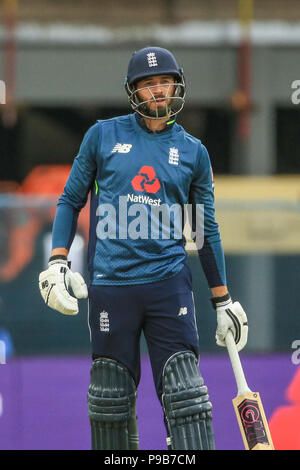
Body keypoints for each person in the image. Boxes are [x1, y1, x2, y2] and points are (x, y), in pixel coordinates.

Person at [39, 46, 248, 450]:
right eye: (148, 84)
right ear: (133, 91)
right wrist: (57, 261)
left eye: (163, 83)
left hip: (168, 285)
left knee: (186, 396)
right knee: (110, 402)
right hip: (111, 286)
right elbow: (70, 199)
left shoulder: (194, 152)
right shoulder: (103, 135)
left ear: (176, 87)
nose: (157, 92)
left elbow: (204, 230)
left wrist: (222, 300)